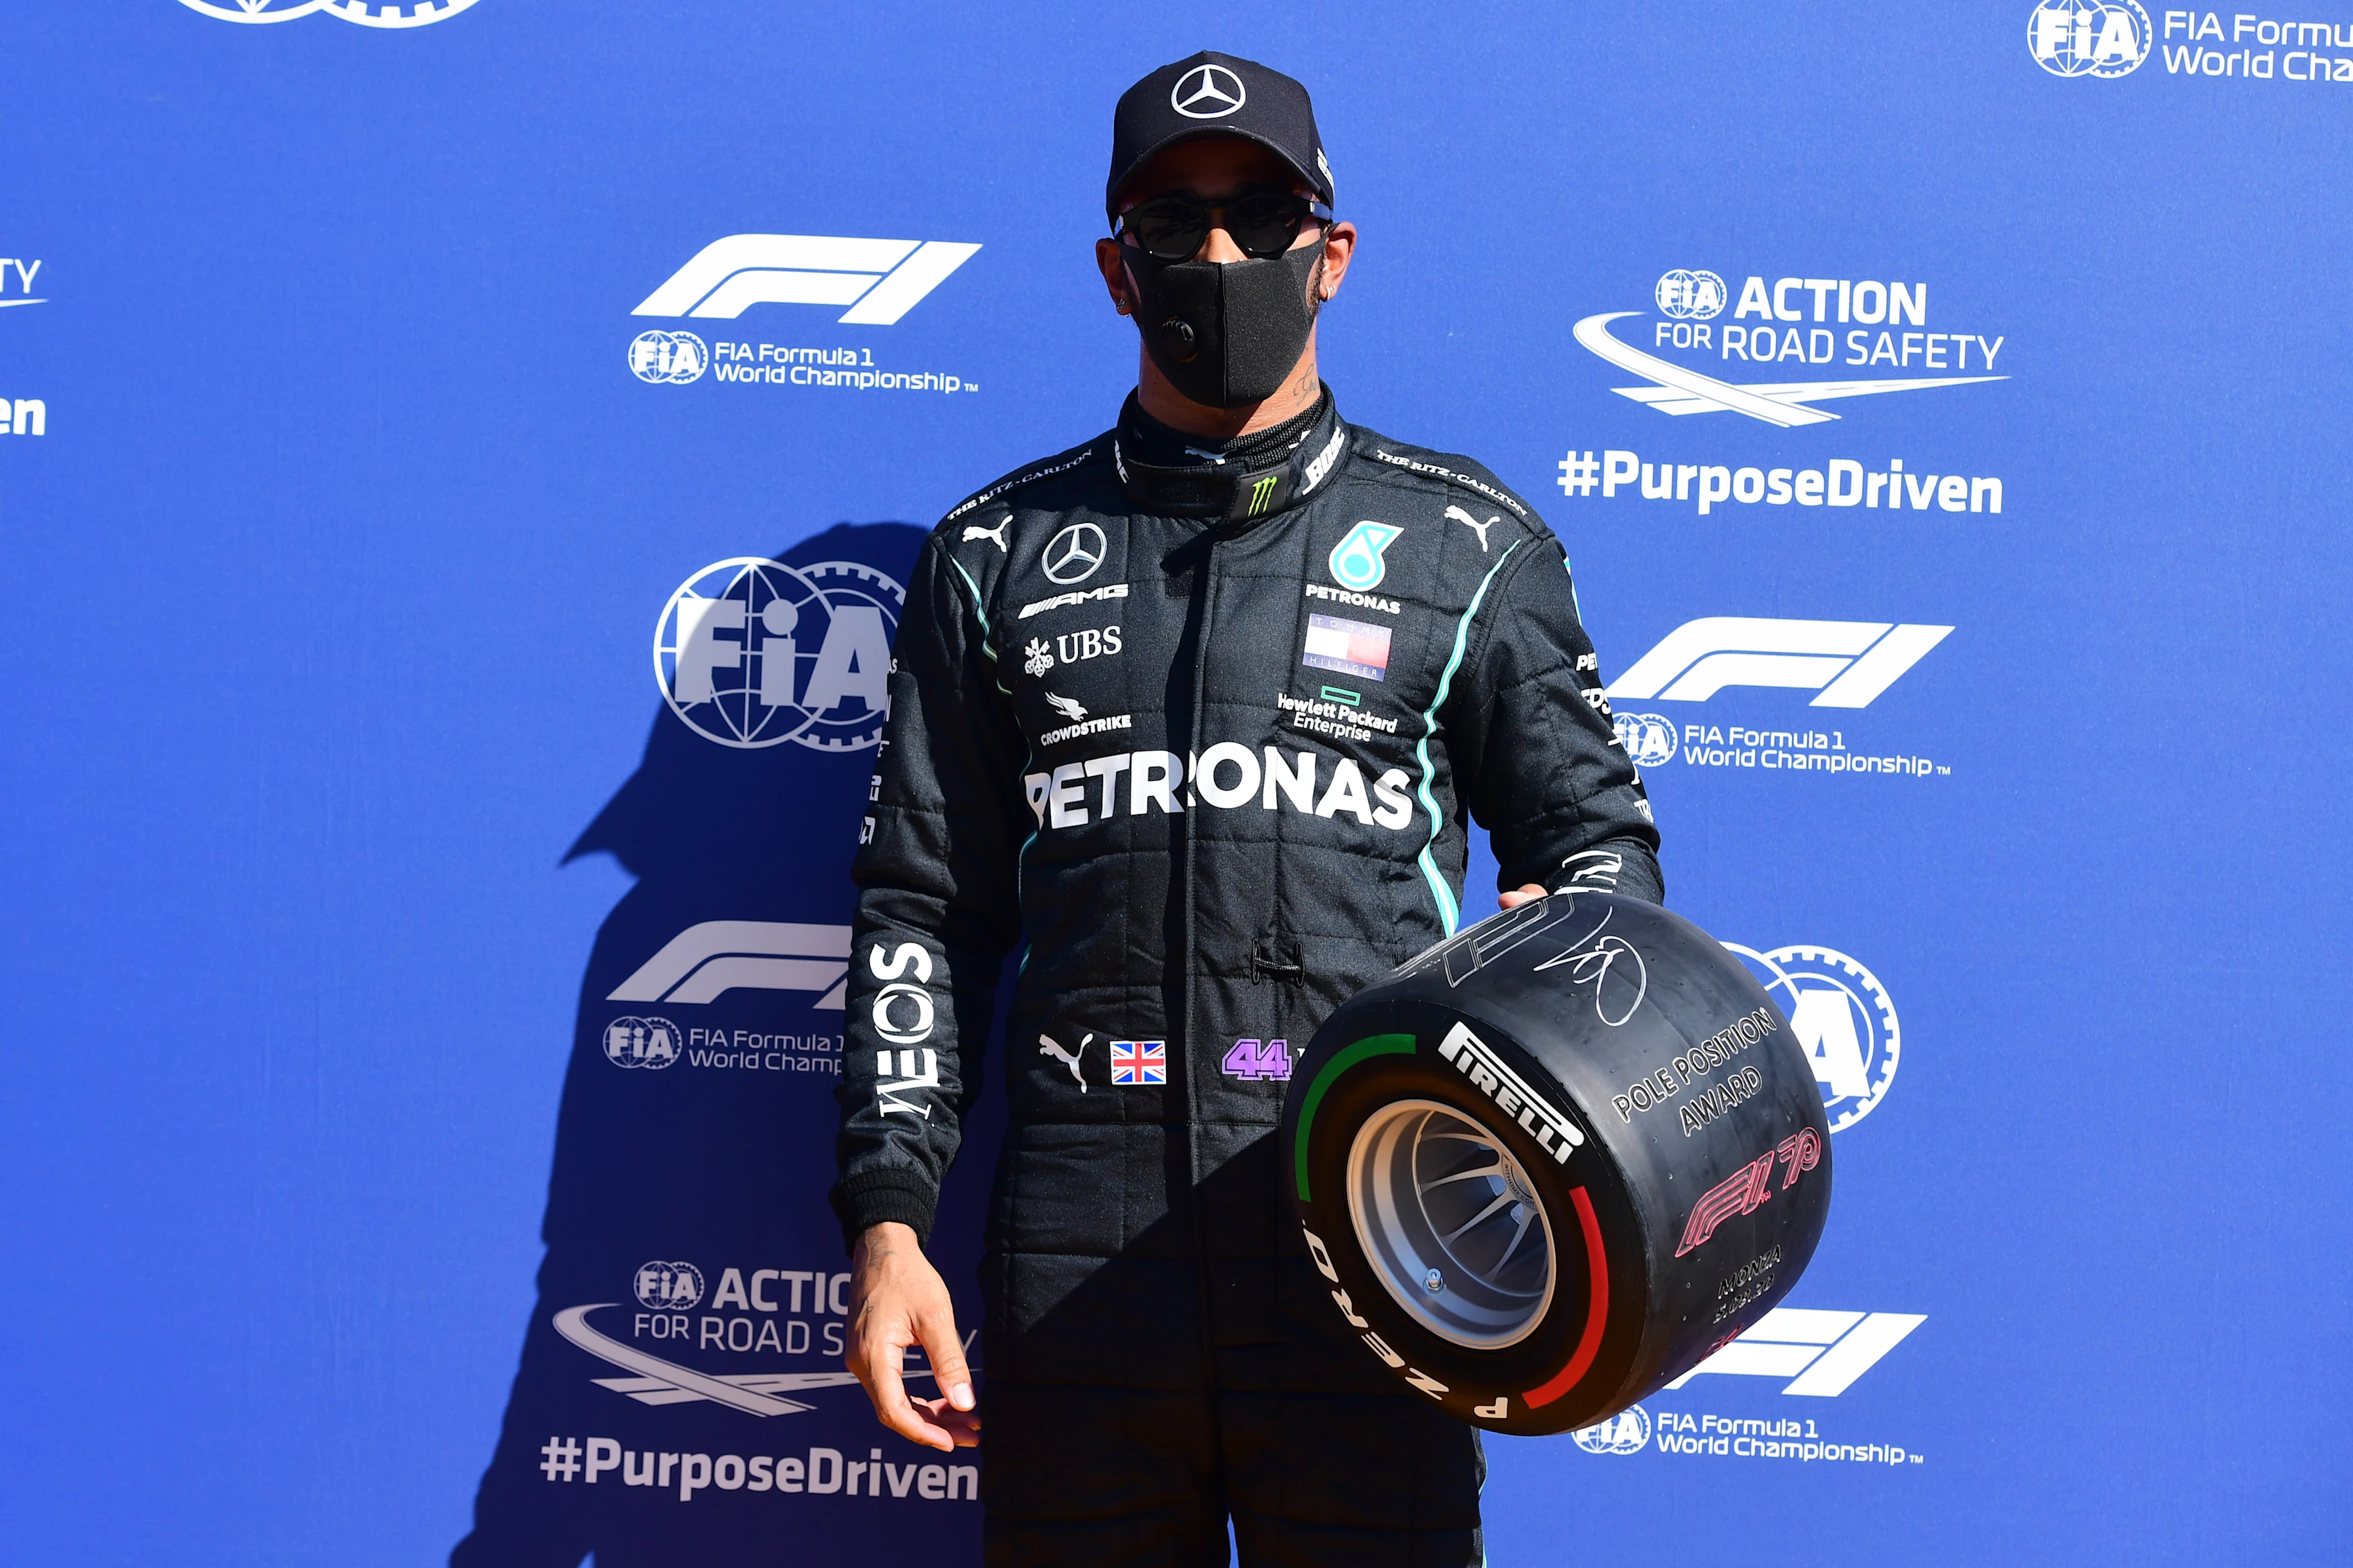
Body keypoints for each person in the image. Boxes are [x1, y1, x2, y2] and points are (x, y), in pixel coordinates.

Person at [832, 50, 1662, 1567]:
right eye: (1172, 221)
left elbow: (1602, 861)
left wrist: (1567, 976)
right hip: (1077, 1261)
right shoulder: (993, 554)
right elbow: (923, 914)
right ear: (1115, 269)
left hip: (1375, 1237)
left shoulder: (1468, 542)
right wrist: (889, 1227)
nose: (1217, 254)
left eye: (1258, 216)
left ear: (1328, 253)